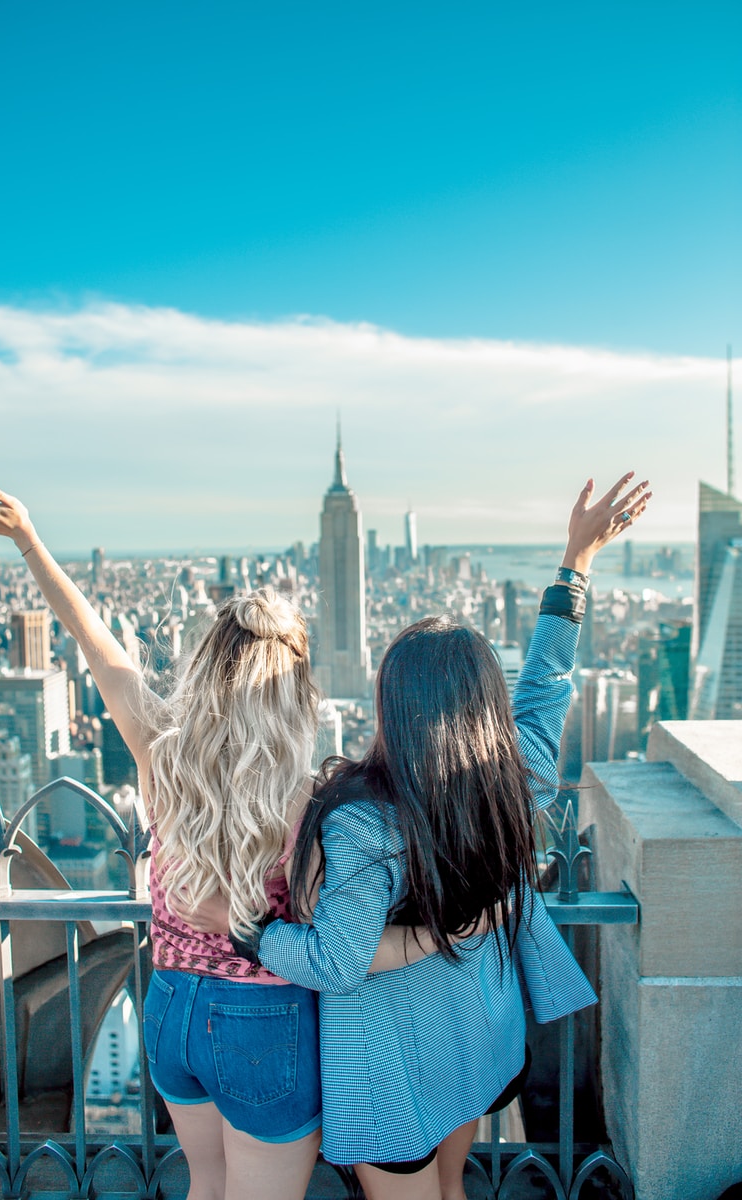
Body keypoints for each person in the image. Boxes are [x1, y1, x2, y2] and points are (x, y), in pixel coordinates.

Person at [0, 482, 418, 1200]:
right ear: (292, 685)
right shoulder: (315, 798)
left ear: (211, 667)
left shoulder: (162, 751)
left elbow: (95, 645)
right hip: (264, 1018)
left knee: (204, 1185)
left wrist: (29, 540)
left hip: (170, 1006)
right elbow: (333, 943)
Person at [211, 471, 652, 1200]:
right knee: (454, 1187)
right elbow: (546, 685)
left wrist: (257, 938)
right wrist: (576, 564)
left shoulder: (360, 819)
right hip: (478, 1040)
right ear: (484, 703)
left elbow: (338, 962)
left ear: (391, 706)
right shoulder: (517, 776)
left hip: (397, 1069)